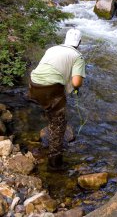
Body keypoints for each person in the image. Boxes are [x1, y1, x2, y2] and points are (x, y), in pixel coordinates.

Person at [28, 28, 85, 170]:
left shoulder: (52, 49)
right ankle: (55, 162)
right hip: (51, 88)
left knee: (49, 106)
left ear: (65, 39)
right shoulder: (78, 56)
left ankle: (46, 117)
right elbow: (77, 82)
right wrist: (76, 87)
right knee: (59, 123)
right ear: (79, 42)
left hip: (33, 84)